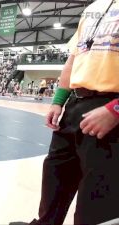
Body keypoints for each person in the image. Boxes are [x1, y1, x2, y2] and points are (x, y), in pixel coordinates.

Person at [10, 0, 119, 224]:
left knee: (98, 193)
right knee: (56, 173)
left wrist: (115, 109)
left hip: (110, 107)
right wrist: (59, 100)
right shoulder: (92, 8)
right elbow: (73, 58)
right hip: (75, 103)